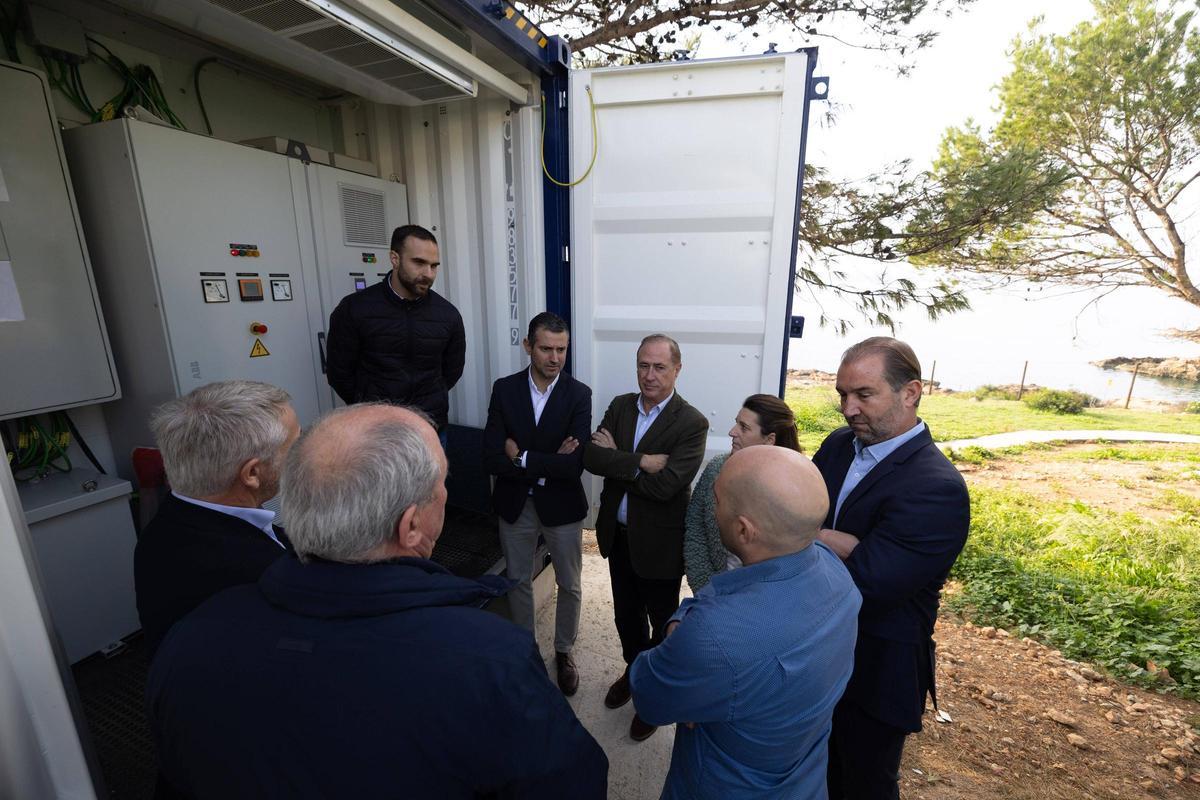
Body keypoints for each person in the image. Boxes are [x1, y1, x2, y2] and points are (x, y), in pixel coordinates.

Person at [147, 404, 608, 800]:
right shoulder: (489, 660)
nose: (446, 494)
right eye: (442, 485)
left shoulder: (191, 637)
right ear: (410, 526)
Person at [630, 445, 860, 799]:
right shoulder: (834, 570)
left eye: (717, 499)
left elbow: (649, 695)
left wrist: (683, 626)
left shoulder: (715, 637)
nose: (712, 504)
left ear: (743, 530)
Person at [812, 337, 970, 800]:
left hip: (875, 671)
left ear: (910, 392)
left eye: (864, 394)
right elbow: (799, 517)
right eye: (843, 394)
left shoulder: (936, 486)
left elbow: (869, 584)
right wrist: (839, 542)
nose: (848, 408)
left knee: (861, 781)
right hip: (817, 652)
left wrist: (813, 538)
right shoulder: (840, 445)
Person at [584, 334, 708, 742]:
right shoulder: (622, 405)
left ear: (677, 369)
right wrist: (640, 462)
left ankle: (654, 694)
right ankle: (634, 673)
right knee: (625, 616)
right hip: (619, 539)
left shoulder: (691, 422)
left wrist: (618, 461)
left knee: (661, 622)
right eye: (643, 365)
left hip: (659, 545)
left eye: (659, 367)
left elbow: (668, 486)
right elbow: (591, 457)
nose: (649, 375)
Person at [134, 380, 300, 656]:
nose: (305, 454)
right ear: (253, 474)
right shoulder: (260, 576)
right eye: (295, 445)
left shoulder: (168, 523)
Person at [482, 312, 591, 695]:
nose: (555, 357)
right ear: (528, 346)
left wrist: (522, 457)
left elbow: (574, 465)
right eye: (546, 348)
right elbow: (491, 456)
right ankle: (525, 651)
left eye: (562, 349)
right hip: (516, 505)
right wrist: (548, 460)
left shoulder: (579, 395)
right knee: (517, 581)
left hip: (561, 507)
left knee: (570, 583)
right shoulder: (505, 389)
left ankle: (564, 651)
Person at [325, 224, 466, 443]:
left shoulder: (447, 315)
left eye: (434, 266)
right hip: (375, 433)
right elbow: (339, 373)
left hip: (430, 430)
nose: (428, 274)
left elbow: (451, 371)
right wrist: (369, 408)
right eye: (419, 263)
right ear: (395, 258)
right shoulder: (355, 309)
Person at [683, 393, 801, 591]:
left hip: (764, 600)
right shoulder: (716, 469)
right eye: (736, 423)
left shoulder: (793, 486)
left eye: (744, 427)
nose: (732, 432)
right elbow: (696, 528)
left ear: (769, 439)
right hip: (714, 592)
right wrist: (706, 588)